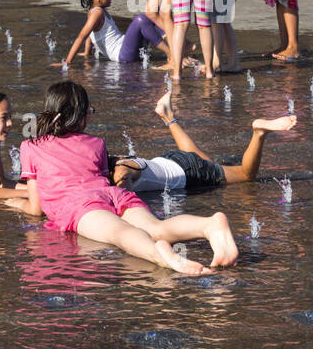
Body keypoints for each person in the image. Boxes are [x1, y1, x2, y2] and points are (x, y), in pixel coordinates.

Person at [16, 81, 238, 274]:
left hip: (79, 206)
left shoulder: (30, 145)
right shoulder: (96, 143)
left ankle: (158, 254)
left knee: (119, 233)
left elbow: (36, 208)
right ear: (83, 116)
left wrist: (14, 202)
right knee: (157, 228)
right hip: (114, 194)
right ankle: (209, 225)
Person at [110, 91, 296, 192]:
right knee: (203, 162)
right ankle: (167, 116)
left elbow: (122, 174)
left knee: (245, 175)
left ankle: (259, 133)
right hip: (171, 161)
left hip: (187, 172)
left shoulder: (119, 170)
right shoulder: (113, 162)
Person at [56, 0, 169, 66]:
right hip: (123, 55)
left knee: (153, 10)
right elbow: (81, 37)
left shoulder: (95, 13)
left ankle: (170, 41)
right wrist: (67, 62)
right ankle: (172, 53)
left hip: (130, 51)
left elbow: (90, 35)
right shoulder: (97, 13)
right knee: (140, 20)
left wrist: (87, 52)